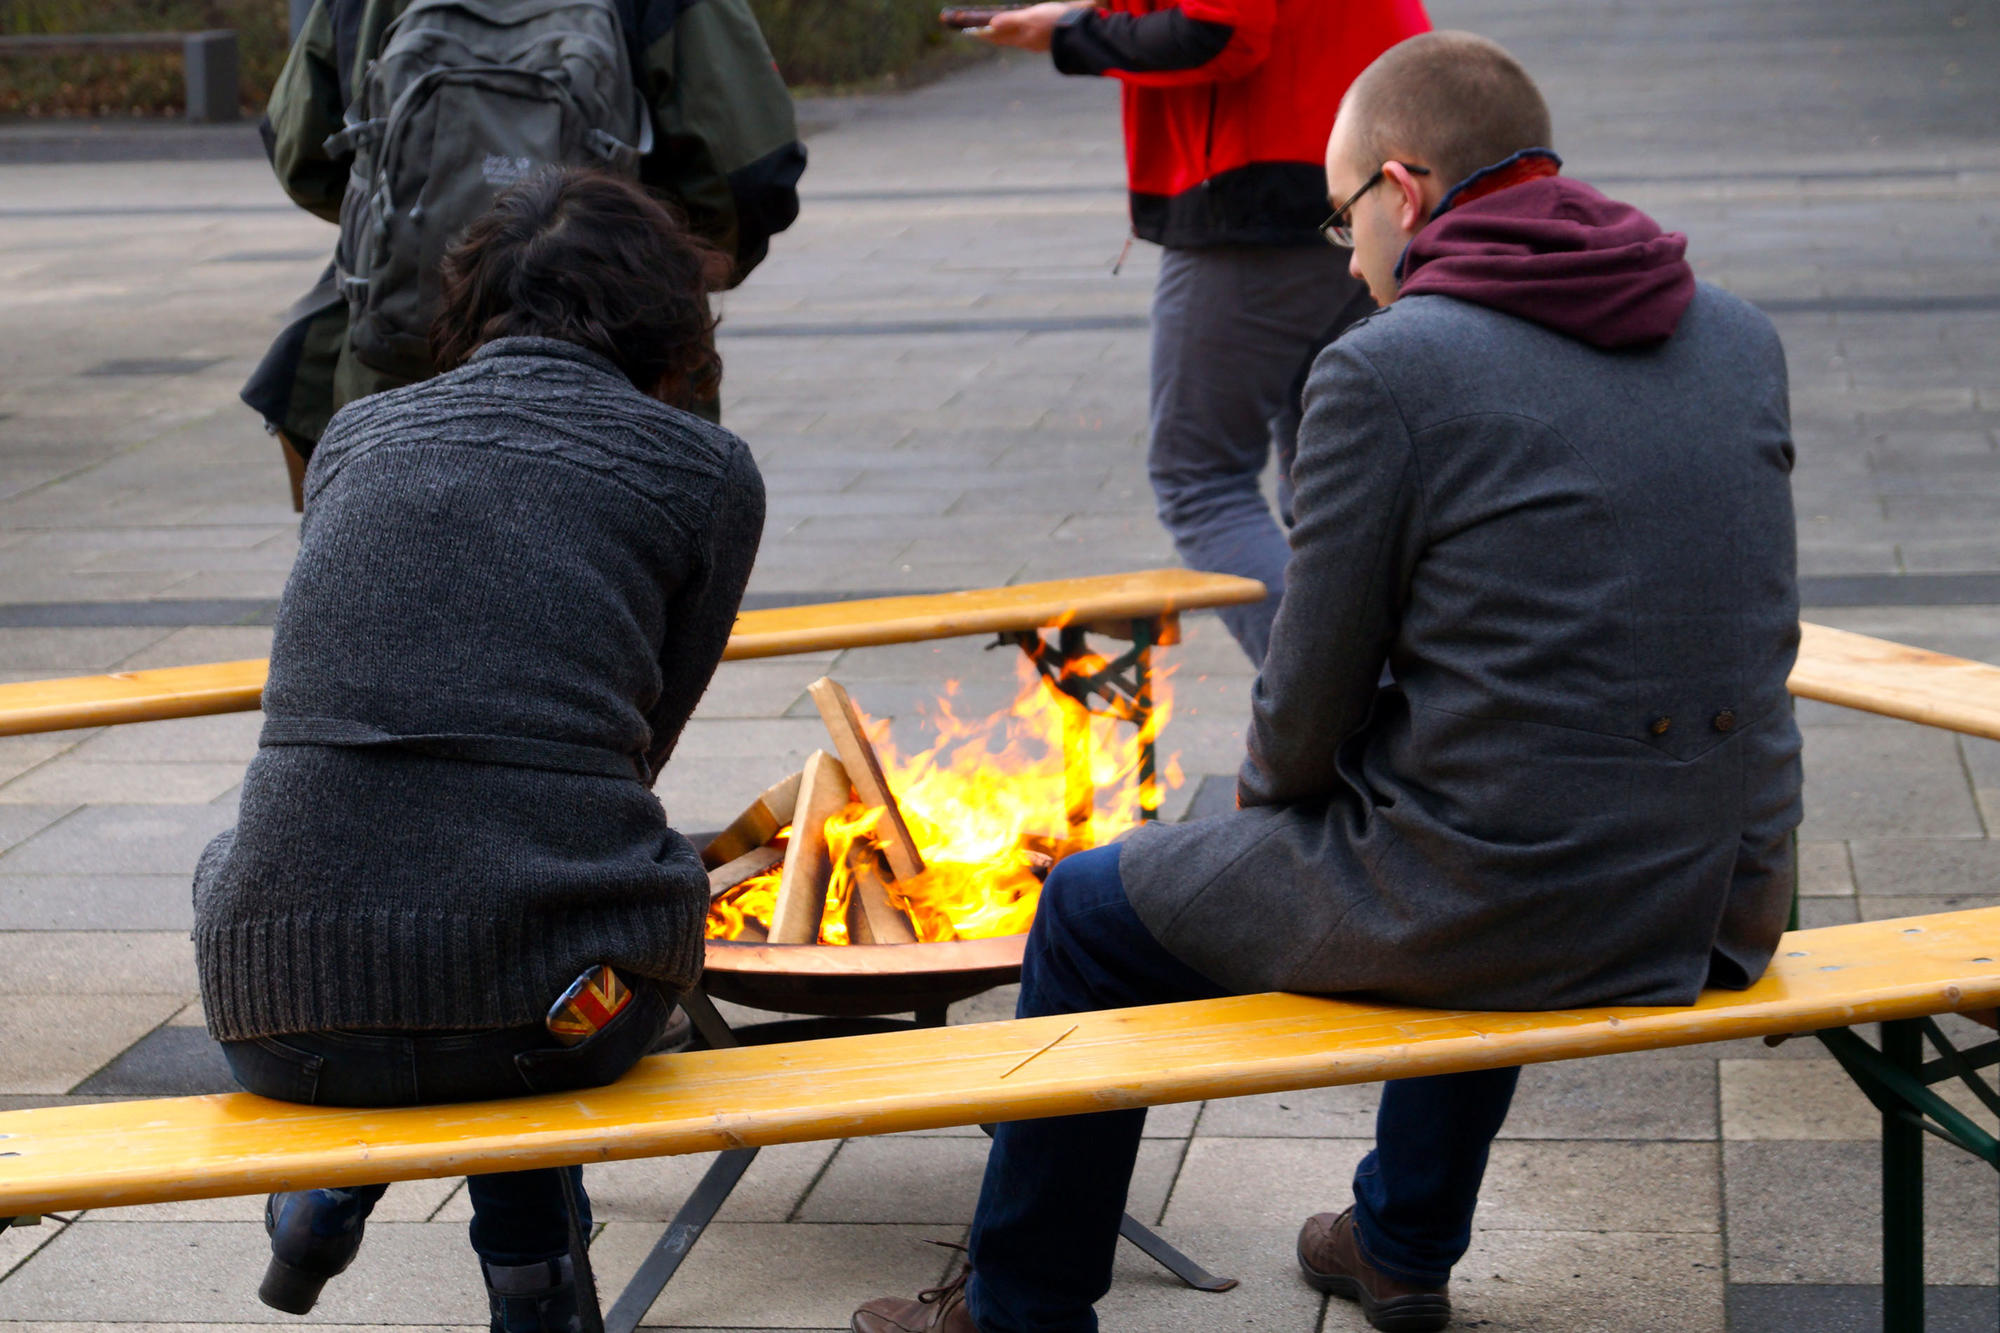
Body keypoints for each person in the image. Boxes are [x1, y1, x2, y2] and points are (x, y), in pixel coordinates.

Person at [854, 30, 1802, 1333]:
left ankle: (1018, 1308)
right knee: (1483, 811)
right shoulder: (1738, 336)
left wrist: (1270, 817)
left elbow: (1305, 699)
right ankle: (1400, 1242)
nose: (1344, 255)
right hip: (1714, 891)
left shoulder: (1388, 366)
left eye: (1340, 213)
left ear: (1403, 192)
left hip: (1512, 894)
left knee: (1085, 904)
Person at [193, 168, 764, 1333]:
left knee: (410, 883)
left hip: (274, 1008)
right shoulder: (701, 469)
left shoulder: (357, 433)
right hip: (567, 1016)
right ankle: (534, 1277)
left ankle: (334, 1187)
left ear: (466, 306)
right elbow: (637, 751)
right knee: (544, 917)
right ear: (671, 316)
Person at [977, 0, 1431, 664]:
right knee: (1338, 484)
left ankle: (1346, 713)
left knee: (1202, 481)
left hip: (1264, 191)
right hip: (1377, 174)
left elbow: (1222, 29)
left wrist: (1074, 35)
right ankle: (1419, 716)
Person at [241, 0, 804, 506]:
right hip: (620, 381)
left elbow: (300, 154)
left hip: (400, 374)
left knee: (388, 581)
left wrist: (427, 238)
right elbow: (753, 178)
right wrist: (655, 258)